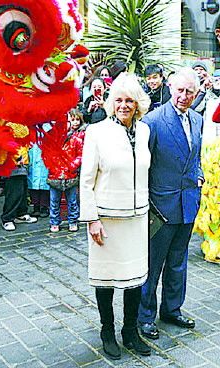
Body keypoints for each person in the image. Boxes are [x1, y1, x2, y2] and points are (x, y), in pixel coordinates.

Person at [79, 73, 152, 359]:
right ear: (112, 103)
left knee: (135, 279)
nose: (124, 105)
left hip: (136, 218)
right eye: (119, 100)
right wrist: (92, 219)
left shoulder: (144, 131)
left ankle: (130, 331)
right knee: (106, 279)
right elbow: (86, 180)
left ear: (138, 104)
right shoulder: (96, 132)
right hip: (106, 220)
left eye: (129, 100)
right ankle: (107, 330)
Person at [138, 67, 204, 340]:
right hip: (160, 206)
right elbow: (143, 165)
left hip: (188, 202)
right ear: (170, 88)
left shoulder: (198, 120)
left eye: (190, 91)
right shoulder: (153, 120)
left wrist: (199, 176)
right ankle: (145, 316)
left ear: (197, 93)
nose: (184, 96)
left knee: (178, 260)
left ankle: (172, 309)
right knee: (152, 265)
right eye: (180, 90)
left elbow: (196, 155)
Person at [48, 109, 85, 233]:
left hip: (71, 174)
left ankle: (73, 220)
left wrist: (73, 165)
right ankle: (54, 221)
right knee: (54, 201)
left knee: (72, 201)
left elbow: (80, 155)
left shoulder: (76, 139)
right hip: (55, 175)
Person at [1, 148, 38, 231]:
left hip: (21, 163)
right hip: (12, 164)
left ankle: (20, 214)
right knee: (13, 193)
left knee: (22, 192)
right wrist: (17, 157)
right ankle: (7, 218)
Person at [28, 127, 51, 218]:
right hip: (33, 155)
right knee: (33, 183)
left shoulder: (49, 125)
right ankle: (36, 207)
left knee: (44, 182)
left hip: (45, 156)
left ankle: (44, 207)